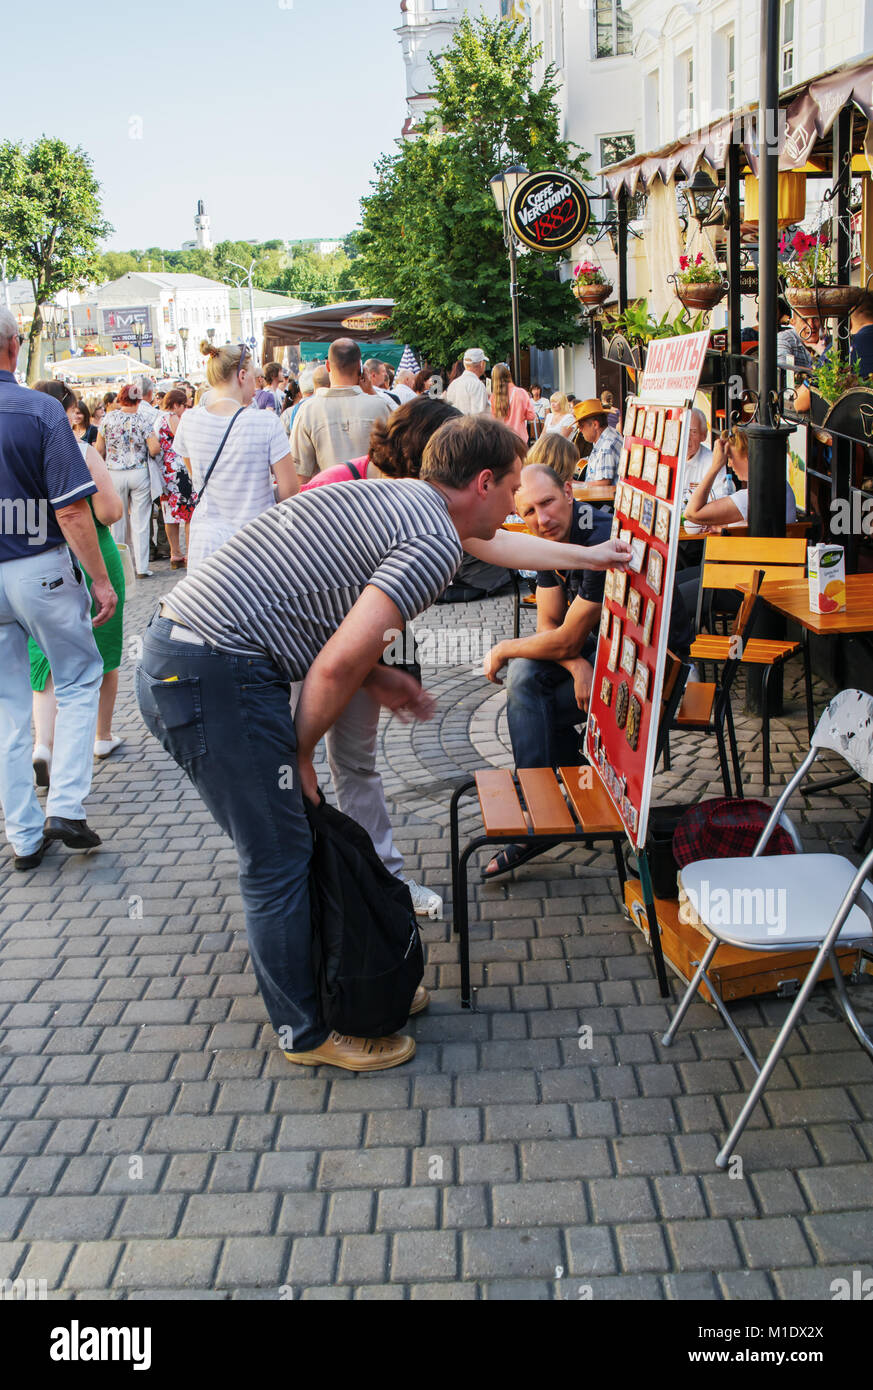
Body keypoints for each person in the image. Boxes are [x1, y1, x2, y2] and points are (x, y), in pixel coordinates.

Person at [137, 415, 630, 1071]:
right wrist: (301, 752)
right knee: (278, 857)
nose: (516, 504)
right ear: (482, 482)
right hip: (208, 675)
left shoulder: (414, 500)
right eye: (512, 487)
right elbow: (337, 665)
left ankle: (341, 988)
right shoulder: (429, 541)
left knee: (293, 844)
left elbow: (490, 546)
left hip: (196, 657)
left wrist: (589, 556)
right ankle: (306, 1035)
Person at [480, 463, 691, 878]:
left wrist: (506, 647)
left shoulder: (598, 538)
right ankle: (564, 799)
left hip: (649, 668)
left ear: (569, 492)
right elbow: (550, 627)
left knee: (527, 689)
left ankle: (544, 812)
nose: (541, 518)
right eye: (528, 512)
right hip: (606, 656)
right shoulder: (548, 539)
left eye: (548, 502)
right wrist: (576, 665)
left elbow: (563, 637)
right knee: (528, 684)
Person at [0, 307, 116, 868]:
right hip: (38, 565)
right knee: (78, 677)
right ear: (15, 345)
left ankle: (23, 835)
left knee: (6, 705)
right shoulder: (40, 409)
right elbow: (73, 509)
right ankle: (65, 805)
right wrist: (99, 579)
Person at [29, 381, 126, 774]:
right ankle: (102, 736)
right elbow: (110, 513)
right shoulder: (82, 451)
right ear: (65, 411)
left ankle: (43, 745)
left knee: (45, 658)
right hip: (90, 555)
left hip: (37, 560)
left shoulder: (19, 452)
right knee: (103, 647)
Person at [171, 341, 299, 574]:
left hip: (206, 545)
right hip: (255, 542)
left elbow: (197, 478)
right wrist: (262, 491)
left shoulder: (189, 421)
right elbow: (290, 489)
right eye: (254, 376)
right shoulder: (266, 423)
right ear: (241, 375)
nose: (255, 383)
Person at [678, 428, 798, 629]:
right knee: (671, 583)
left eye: (731, 456)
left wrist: (715, 466)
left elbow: (692, 513)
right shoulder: (782, 487)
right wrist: (728, 529)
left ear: (748, 456)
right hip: (758, 576)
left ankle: (678, 654)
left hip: (738, 583)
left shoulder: (750, 497)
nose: (729, 463)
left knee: (671, 596)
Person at [288, 338, 392, 483]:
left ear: (328, 366)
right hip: (373, 500)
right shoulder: (381, 407)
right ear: (360, 367)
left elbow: (300, 476)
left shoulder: (308, 411)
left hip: (329, 501)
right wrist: (371, 391)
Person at [95, 382, 154, 578]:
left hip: (114, 472)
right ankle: (142, 568)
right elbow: (154, 449)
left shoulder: (108, 419)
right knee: (141, 522)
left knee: (117, 522)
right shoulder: (143, 419)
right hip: (138, 471)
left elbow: (99, 450)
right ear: (138, 399)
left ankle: (118, 567)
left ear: (121, 398)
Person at [147, 387, 191, 568]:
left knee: (170, 514)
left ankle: (175, 554)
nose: (186, 409)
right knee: (189, 513)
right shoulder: (173, 418)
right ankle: (189, 552)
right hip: (180, 471)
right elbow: (183, 441)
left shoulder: (157, 419)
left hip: (165, 471)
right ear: (175, 405)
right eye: (184, 405)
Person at [574, 398, 623, 483]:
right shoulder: (607, 436)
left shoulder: (607, 446)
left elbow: (602, 485)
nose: (580, 430)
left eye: (581, 426)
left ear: (595, 425)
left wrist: (575, 484)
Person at [490, 363, 535, 443]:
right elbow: (531, 416)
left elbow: (491, 419)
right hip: (519, 438)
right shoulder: (521, 392)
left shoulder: (493, 397)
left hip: (501, 439)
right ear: (509, 374)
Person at [445, 348, 489, 415]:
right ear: (482, 364)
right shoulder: (477, 385)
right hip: (471, 424)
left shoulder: (454, 384)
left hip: (455, 424)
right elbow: (479, 416)